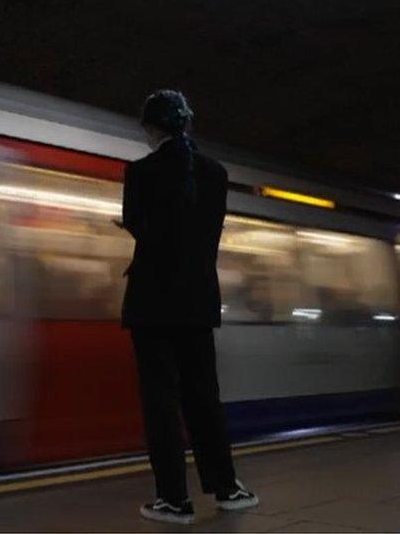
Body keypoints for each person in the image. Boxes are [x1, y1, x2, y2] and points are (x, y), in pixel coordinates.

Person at [119, 90, 259, 524]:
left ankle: (174, 500)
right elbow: (203, 237)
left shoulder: (140, 173)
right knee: (204, 398)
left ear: (151, 128)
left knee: (162, 402)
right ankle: (228, 487)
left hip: (152, 304)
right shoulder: (216, 174)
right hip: (198, 301)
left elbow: (144, 230)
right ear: (187, 124)